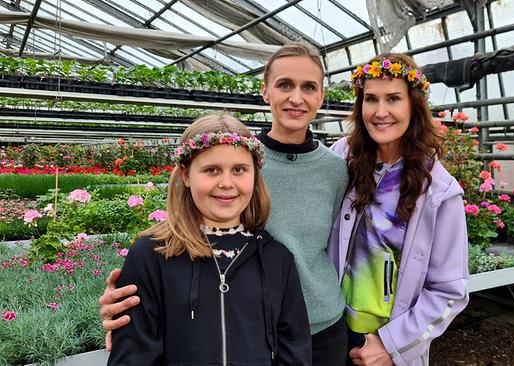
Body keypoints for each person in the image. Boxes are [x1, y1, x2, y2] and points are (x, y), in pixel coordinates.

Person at [100, 43, 350, 365]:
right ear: (265, 91)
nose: (296, 97)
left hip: (321, 326)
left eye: (309, 87)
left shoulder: (336, 170)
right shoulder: (236, 150)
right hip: (247, 324)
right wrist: (134, 297)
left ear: (321, 95)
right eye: (284, 84)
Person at [107, 115, 311, 365]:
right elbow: (134, 355)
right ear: (185, 175)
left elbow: (295, 349)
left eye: (239, 170)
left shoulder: (276, 258)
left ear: (254, 176)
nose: (226, 183)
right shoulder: (151, 255)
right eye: (211, 170)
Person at [327, 53, 470, 366]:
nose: (381, 112)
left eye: (393, 98)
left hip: (387, 345)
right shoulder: (341, 160)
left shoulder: (438, 191)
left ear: (413, 105)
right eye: (371, 99)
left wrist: (390, 345)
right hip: (330, 335)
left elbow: (448, 290)